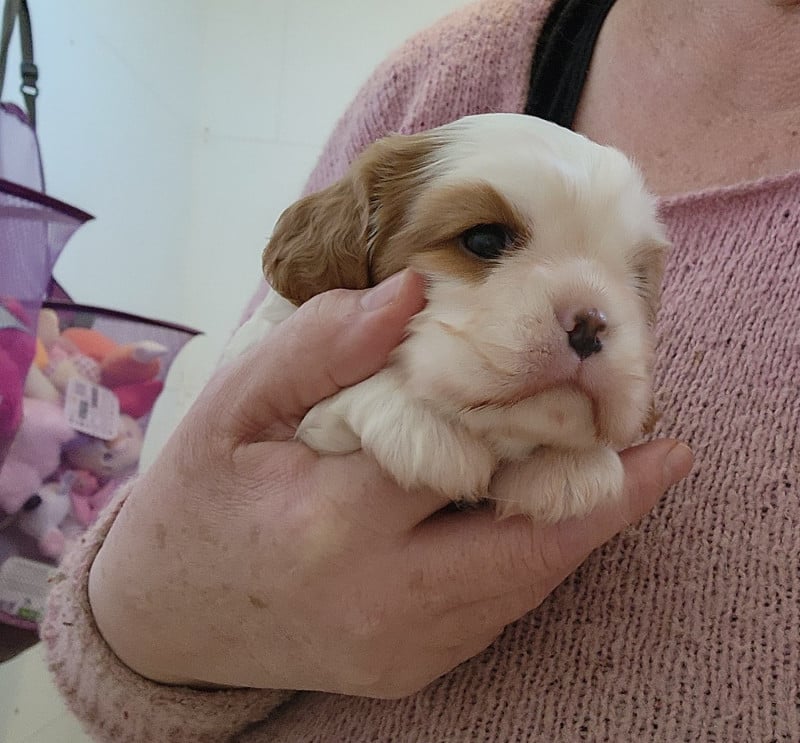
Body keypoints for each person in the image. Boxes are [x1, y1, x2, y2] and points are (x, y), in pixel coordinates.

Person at [42, 0, 799, 740]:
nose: (591, 317)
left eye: (634, 282)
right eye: (485, 241)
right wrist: (147, 626)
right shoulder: (445, 75)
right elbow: (248, 412)